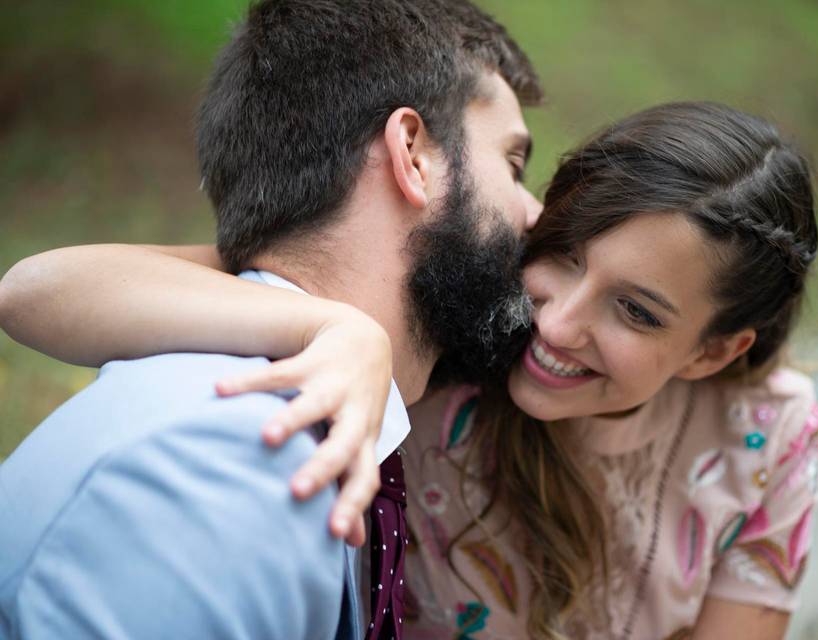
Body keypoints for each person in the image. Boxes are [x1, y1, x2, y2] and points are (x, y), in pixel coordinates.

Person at [1, 103, 818, 639]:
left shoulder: (770, 436)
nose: (559, 321)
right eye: (565, 257)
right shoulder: (457, 337)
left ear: (716, 351)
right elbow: (39, 291)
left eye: (636, 311)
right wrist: (334, 327)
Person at [0, 0, 545, 638]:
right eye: (512, 163)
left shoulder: (300, 423)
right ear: (414, 155)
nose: (534, 213)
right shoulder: (222, 478)